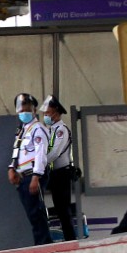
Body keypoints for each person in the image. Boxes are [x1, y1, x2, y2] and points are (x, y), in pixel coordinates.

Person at [8, 93, 53, 246]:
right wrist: (12, 168)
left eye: (27, 109)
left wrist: (36, 177)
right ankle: (42, 243)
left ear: (34, 110)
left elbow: (40, 155)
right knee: (31, 213)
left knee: (36, 213)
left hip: (33, 175)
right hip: (23, 176)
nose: (24, 113)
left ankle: (44, 244)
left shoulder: (37, 129)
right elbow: (17, 150)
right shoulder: (22, 130)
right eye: (21, 110)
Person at [39, 96, 78, 241]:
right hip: (55, 174)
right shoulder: (52, 130)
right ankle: (68, 238)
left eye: (47, 113)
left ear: (55, 113)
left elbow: (54, 152)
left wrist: (40, 163)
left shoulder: (61, 130)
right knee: (59, 207)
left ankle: (70, 239)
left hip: (62, 173)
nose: (45, 116)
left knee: (63, 209)